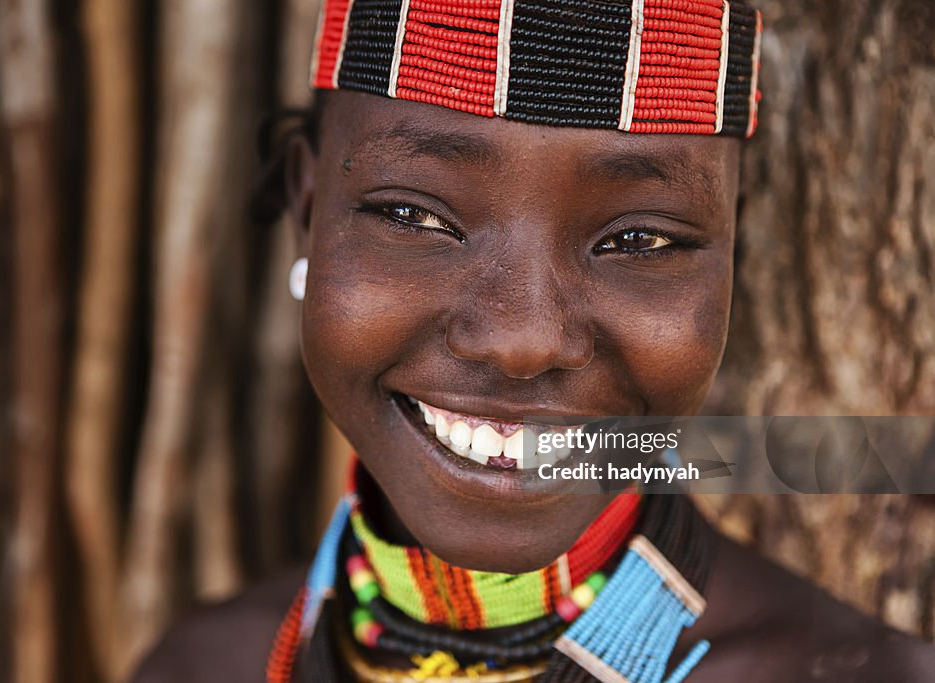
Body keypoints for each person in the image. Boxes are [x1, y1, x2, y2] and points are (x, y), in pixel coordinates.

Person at [134, 1, 935, 681]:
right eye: (415, 215)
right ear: (309, 214)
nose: (522, 340)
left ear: (734, 255)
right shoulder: (201, 666)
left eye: (640, 239)